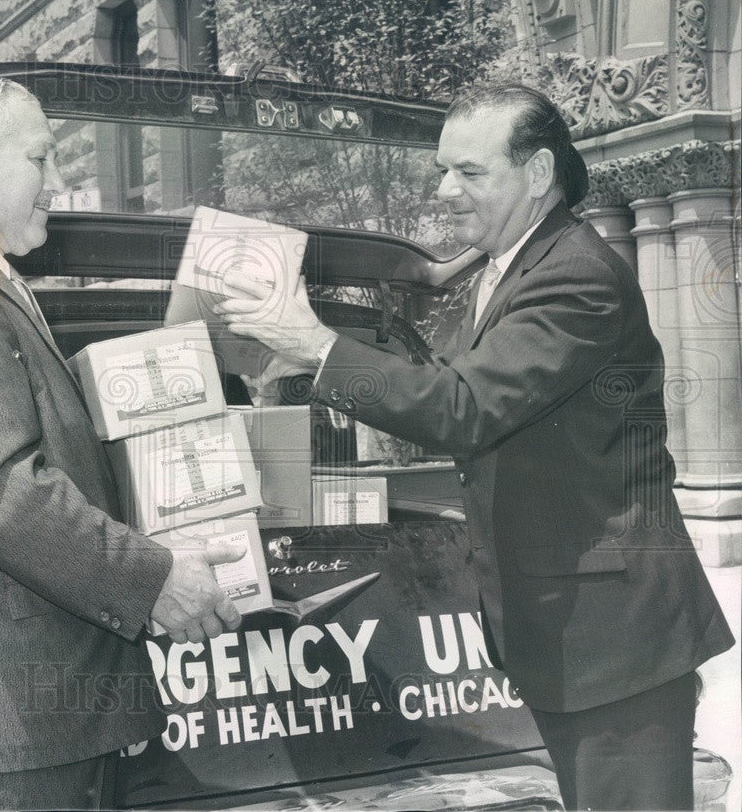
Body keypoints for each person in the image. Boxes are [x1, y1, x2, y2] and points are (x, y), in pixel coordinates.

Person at [215, 82, 735, 811]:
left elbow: (464, 408)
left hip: (615, 641)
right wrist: (315, 362)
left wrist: (321, 347)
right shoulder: (507, 268)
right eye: (441, 169)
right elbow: (454, 384)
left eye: (470, 171)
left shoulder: (574, 275)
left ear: (539, 175)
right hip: (570, 631)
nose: (445, 190)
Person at [0, 71, 243, 811]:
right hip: (2, 740)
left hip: (25, 728)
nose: (60, 181)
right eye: (41, 157)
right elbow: (5, 497)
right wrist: (156, 579)